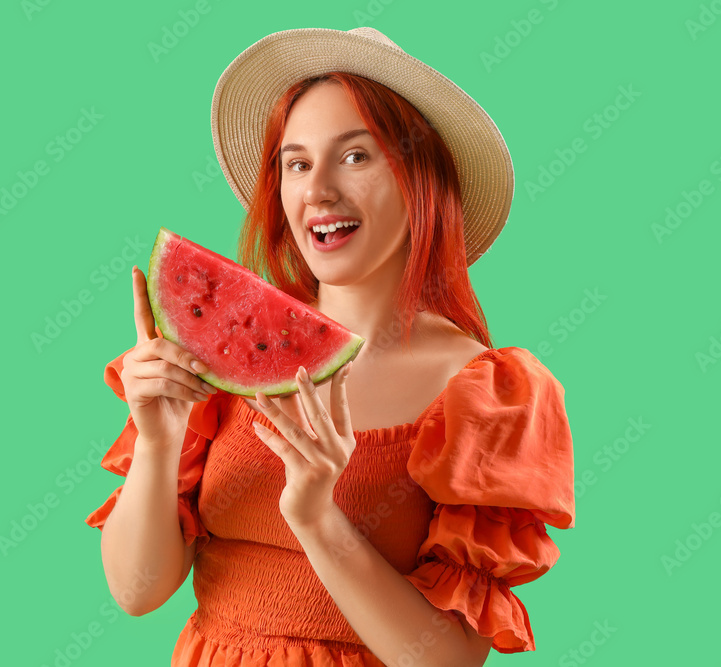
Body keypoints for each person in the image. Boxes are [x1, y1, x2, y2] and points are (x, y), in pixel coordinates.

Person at [85, 27, 575, 666]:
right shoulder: (224, 353)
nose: (316, 190)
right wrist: (157, 441)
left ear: (420, 180)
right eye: (296, 162)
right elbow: (136, 590)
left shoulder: (490, 395)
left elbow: (448, 660)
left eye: (356, 156)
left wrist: (319, 520)